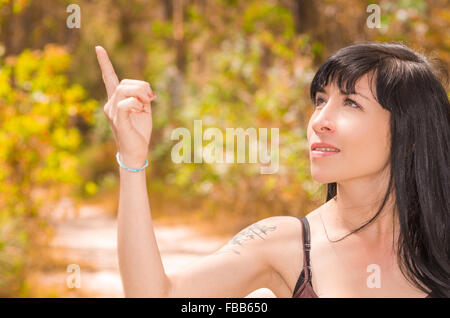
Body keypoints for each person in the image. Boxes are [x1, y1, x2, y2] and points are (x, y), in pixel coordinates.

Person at [95, 41, 449, 298]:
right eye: (321, 101)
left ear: (410, 133)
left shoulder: (439, 246)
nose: (320, 121)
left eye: (351, 103)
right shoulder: (286, 244)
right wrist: (132, 158)